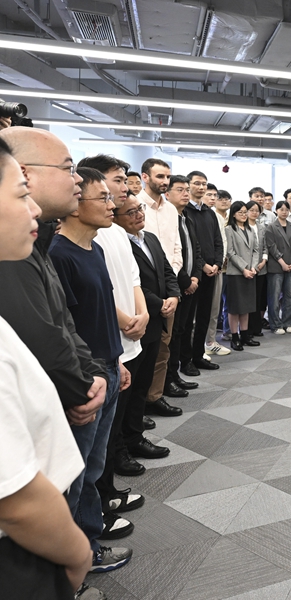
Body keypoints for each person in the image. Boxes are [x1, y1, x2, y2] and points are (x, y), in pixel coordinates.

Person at [0, 128, 113, 599]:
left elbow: (64, 321)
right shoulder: (17, 254)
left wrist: (96, 372)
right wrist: (76, 554)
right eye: (19, 194)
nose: (78, 181)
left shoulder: (37, 243)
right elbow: (18, 500)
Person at [49, 167, 133, 572]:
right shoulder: (58, 256)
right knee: (75, 472)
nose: (112, 205)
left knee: (93, 466)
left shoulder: (94, 249)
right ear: (75, 205)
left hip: (108, 370)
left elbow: (100, 314)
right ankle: (74, 558)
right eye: (103, 198)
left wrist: (117, 360)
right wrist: (89, 376)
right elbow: (63, 329)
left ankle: (89, 543)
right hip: (85, 380)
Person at [77, 154, 148, 533]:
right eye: (117, 181)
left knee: (111, 429)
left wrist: (143, 314)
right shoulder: (82, 239)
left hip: (123, 345)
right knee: (95, 444)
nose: (123, 187)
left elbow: (131, 280)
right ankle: (99, 505)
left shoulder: (114, 232)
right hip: (106, 346)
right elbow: (98, 296)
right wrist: (126, 320)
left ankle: (107, 493)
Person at [116, 192, 179, 463]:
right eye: (130, 212)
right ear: (116, 218)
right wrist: (159, 303)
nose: (139, 214)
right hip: (138, 321)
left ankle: (135, 436)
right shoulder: (119, 243)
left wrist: (174, 295)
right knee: (128, 389)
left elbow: (166, 271)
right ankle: (122, 445)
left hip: (156, 319)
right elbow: (135, 284)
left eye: (139, 208)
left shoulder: (150, 238)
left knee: (142, 384)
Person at [137, 159, 186, 412]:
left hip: (168, 286)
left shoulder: (170, 210)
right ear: (145, 177)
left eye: (167, 176)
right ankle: (136, 404)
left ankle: (154, 397)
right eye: (159, 176)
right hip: (141, 288)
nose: (165, 181)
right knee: (141, 349)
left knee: (163, 346)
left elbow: (176, 247)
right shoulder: (134, 205)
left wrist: (172, 282)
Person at [167, 175, 204, 400]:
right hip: (176, 286)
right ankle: (169, 378)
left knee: (183, 330)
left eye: (186, 190)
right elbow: (170, 256)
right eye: (180, 189)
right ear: (167, 193)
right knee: (172, 334)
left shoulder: (187, 218)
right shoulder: (168, 220)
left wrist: (196, 277)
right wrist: (186, 282)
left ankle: (177, 372)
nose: (185, 194)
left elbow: (196, 251)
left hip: (191, 282)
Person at [183, 170, 222, 374]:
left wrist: (217, 263)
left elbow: (217, 240)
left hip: (211, 272)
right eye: (197, 183)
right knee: (188, 319)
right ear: (188, 185)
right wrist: (203, 265)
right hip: (193, 274)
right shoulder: (184, 211)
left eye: (204, 184)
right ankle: (185, 360)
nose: (201, 187)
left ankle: (198, 356)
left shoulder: (209, 213)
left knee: (205, 316)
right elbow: (190, 245)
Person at [224, 201, 260, 351]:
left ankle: (245, 335)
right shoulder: (229, 229)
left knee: (246, 306)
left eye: (246, 212)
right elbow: (230, 252)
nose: (244, 215)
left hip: (250, 272)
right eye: (241, 212)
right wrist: (244, 268)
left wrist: (253, 267)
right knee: (234, 307)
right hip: (236, 273)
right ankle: (235, 337)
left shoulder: (250, 229)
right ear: (233, 214)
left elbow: (256, 250)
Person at [265, 200, 291, 334]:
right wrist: (283, 263)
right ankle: (275, 324)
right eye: (281, 209)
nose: (284, 212)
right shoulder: (271, 227)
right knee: (274, 297)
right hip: (276, 266)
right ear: (276, 211)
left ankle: (288, 322)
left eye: (286, 210)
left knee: (289, 296)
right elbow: (271, 247)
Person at [206, 187, 232, 354]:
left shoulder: (215, 216)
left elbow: (221, 242)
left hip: (219, 267)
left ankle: (210, 341)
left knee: (215, 308)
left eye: (214, 195)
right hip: (203, 267)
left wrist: (218, 262)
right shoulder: (192, 214)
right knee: (201, 311)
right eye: (209, 195)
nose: (212, 198)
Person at [246, 200, 268, 337]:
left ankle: (257, 328)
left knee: (258, 299)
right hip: (247, 269)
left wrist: (264, 260)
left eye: (257, 211)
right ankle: (247, 330)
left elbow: (265, 246)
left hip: (261, 268)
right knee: (248, 300)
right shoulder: (242, 226)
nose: (254, 213)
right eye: (252, 210)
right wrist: (251, 266)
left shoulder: (262, 227)